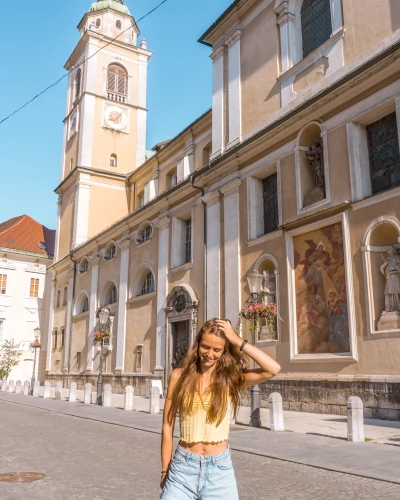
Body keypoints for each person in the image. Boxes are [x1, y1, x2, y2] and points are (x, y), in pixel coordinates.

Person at [160, 318, 281, 499]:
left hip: (219, 471)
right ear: (198, 343)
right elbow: (167, 426)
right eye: (205, 347)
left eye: (217, 350)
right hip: (182, 469)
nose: (209, 354)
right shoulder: (179, 376)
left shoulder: (230, 379)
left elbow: (273, 369)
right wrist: (165, 469)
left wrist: (237, 340)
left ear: (224, 351)